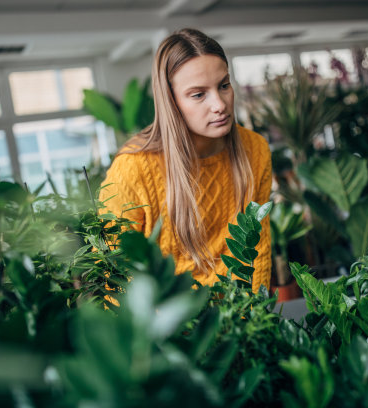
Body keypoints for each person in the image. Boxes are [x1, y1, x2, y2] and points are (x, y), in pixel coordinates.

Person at [99, 28, 271, 292]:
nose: (220, 104)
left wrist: (253, 321)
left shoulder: (255, 150)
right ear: (172, 102)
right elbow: (113, 271)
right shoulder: (133, 168)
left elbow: (257, 250)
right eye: (199, 94)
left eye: (223, 85)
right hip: (164, 323)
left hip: (240, 319)